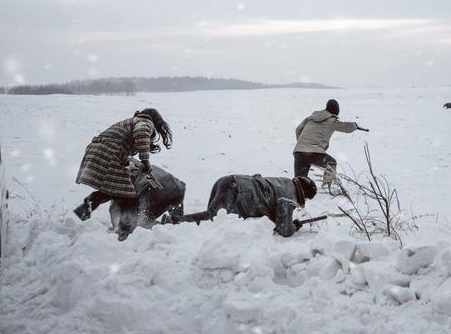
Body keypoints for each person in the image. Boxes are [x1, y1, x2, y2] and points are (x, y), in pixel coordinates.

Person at [73, 107, 173, 221]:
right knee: (127, 195)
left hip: (97, 152)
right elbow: (141, 132)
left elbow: (119, 142)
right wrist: (146, 161)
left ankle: (83, 211)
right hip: (108, 154)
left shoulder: (130, 122)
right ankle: (126, 227)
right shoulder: (145, 122)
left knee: (114, 190)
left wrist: (126, 162)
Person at [170, 174, 317, 237]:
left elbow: (274, 214)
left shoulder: (284, 182)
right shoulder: (289, 197)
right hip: (236, 189)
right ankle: (174, 222)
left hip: (229, 181)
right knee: (211, 218)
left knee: (212, 221)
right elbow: (284, 230)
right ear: (303, 194)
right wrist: (293, 226)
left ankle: (176, 222)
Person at [293, 99, 360, 184]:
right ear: (336, 111)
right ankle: (326, 186)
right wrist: (355, 125)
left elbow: (298, 129)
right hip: (314, 153)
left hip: (299, 152)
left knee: (299, 181)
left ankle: (297, 192)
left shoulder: (311, 118)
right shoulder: (332, 121)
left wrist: (302, 144)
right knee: (331, 163)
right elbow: (346, 127)